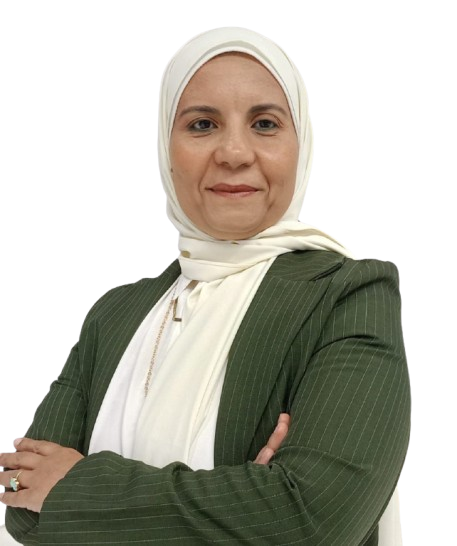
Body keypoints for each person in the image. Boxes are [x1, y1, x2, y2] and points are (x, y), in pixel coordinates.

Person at [0, 27, 410, 545]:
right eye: (202, 124)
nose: (234, 152)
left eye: (265, 124)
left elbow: (309, 522)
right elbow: (21, 504)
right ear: (166, 147)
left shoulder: (346, 295)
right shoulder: (116, 313)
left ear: (300, 144)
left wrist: (75, 490)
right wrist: (241, 505)